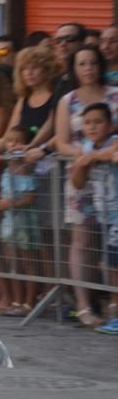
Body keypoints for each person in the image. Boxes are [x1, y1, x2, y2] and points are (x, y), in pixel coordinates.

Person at [53, 46, 118, 327]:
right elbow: (61, 141)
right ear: (74, 68)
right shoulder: (68, 100)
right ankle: (83, 304)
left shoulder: (115, 94)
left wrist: (101, 152)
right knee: (82, 240)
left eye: (93, 62)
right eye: (82, 63)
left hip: (111, 172)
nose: (88, 67)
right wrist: (81, 155)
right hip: (80, 173)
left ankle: (110, 301)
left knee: (111, 242)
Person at [70, 102, 118, 331]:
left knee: (113, 264)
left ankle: (115, 309)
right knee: (108, 263)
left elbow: (112, 152)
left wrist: (92, 156)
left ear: (109, 125)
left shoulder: (113, 142)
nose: (92, 127)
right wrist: (82, 163)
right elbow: (78, 184)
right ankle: (113, 308)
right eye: (87, 123)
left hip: (116, 213)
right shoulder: (86, 147)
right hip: (103, 215)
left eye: (98, 122)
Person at [0, 126, 41, 316]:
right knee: (13, 261)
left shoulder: (26, 169)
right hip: (9, 222)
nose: (13, 145)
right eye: (10, 141)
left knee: (28, 261)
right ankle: (16, 300)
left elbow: (30, 197)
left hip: (25, 221)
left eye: (18, 141)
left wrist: (9, 204)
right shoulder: (6, 167)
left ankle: (29, 302)